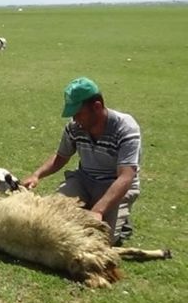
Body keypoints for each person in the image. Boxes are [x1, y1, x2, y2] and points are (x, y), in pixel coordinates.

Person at [22, 77, 141, 245]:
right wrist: (37, 175)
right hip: (84, 180)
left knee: (99, 240)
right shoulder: (75, 127)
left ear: (97, 107)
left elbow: (126, 177)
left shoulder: (125, 128)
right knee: (49, 217)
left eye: (78, 113)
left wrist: (98, 211)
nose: (75, 119)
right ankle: (92, 207)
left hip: (113, 185)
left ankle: (118, 219)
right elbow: (61, 157)